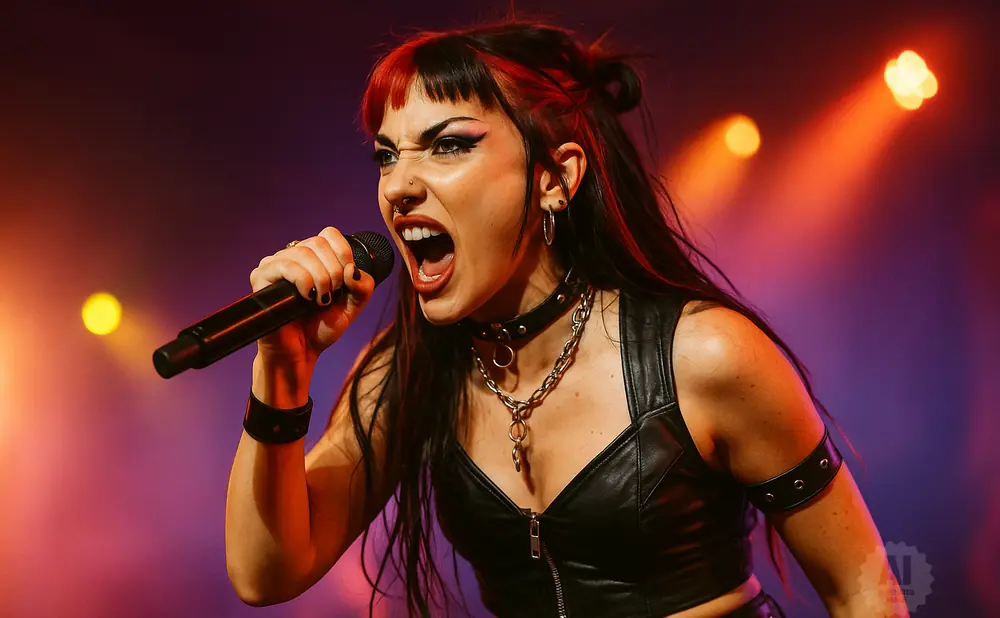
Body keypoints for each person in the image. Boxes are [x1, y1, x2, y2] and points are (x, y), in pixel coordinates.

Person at [224, 19, 907, 618]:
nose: (399, 186)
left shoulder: (703, 354)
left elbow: (864, 590)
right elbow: (267, 574)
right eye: (387, 155)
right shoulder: (408, 374)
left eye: (449, 144)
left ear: (555, 177)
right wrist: (281, 370)